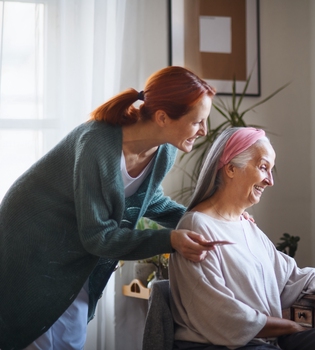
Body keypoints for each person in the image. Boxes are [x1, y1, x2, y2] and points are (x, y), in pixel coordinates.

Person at [0, 66, 219, 350]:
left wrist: (211, 219)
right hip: (31, 247)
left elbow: (150, 201)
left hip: (74, 253)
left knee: (68, 339)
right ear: (163, 117)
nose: (204, 131)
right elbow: (99, 237)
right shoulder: (96, 144)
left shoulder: (164, 149)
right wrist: (170, 239)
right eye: (197, 122)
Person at [168, 127, 315, 350]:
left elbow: (292, 279)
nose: (270, 181)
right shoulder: (197, 226)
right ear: (230, 169)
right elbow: (220, 314)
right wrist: (290, 326)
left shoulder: (247, 227)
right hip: (221, 346)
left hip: (260, 342)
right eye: (263, 167)